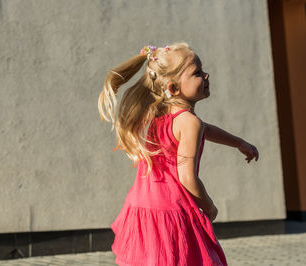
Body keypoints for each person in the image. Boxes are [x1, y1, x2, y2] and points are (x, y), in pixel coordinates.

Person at [98, 42, 259, 266]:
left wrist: (238, 142)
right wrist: (209, 205)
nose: (206, 74)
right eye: (197, 73)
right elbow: (187, 177)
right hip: (172, 214)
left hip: (143, 209)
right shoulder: (189, 123)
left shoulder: (160, 118)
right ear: (173, 88)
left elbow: (207, 129)